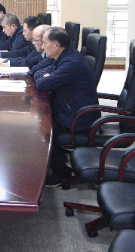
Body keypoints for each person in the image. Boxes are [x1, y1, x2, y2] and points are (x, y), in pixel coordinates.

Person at [36, 27, 99, 185]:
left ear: (56, 45)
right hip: (69, 109)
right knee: (40, 120)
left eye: (45, 43)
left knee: (40, 131)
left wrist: (46, 77)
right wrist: (46, 76)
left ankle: (62, 172)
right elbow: (39, 72)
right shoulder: (65, 56)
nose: (42, 46)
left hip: (78, 118)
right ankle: (57, 162)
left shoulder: (71, 63)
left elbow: (42, 83)